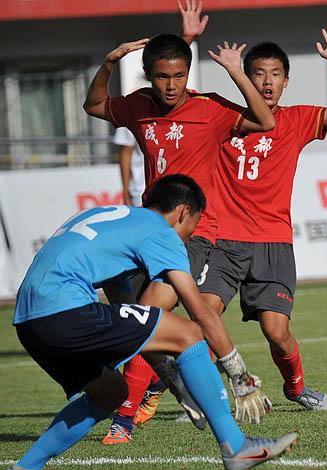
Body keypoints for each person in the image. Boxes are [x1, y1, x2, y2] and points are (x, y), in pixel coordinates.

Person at [0, 175, 298, 470]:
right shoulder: (160, 231)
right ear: (183, 212)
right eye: (191, 229)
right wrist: (238, 375)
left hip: (29, 321)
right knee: (189, 332)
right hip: (64, 308)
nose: (186, 240)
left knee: (111, 392)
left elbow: (133, 321)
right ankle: (236, 448)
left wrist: (173, 379)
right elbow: (199, 310)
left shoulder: (116, 221)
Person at [83, 26, 277, 443]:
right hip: (145, 231)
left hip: (194, 232)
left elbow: (265, 119)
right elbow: (94, 104)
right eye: (162, 77)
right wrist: (111, 61)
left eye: (179, 76)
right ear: (149, 75)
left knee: (151, 313)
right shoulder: (137, 107)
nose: (171, 86)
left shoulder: (210, 109)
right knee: (133, 321)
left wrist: (235, 74)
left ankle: (159, 403)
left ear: (189, 72)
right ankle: (178, 387)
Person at [176, 8, 327, 411]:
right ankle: (207, 398)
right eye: (258, 73)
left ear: (286, 80)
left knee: (277, 331)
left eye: (275, 74)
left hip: (272, 242)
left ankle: (296, 389)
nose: (266, 82)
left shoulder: (298, 120)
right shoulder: (222, 118)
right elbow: (176, 95)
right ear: (245, 75)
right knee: (203, 318)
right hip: (222, 242)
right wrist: (187, 39)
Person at [113, 127, 146, 207]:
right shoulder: (129, 114)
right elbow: (126, 152)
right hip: (140, 190)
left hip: (171, 188)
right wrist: (125, 193)